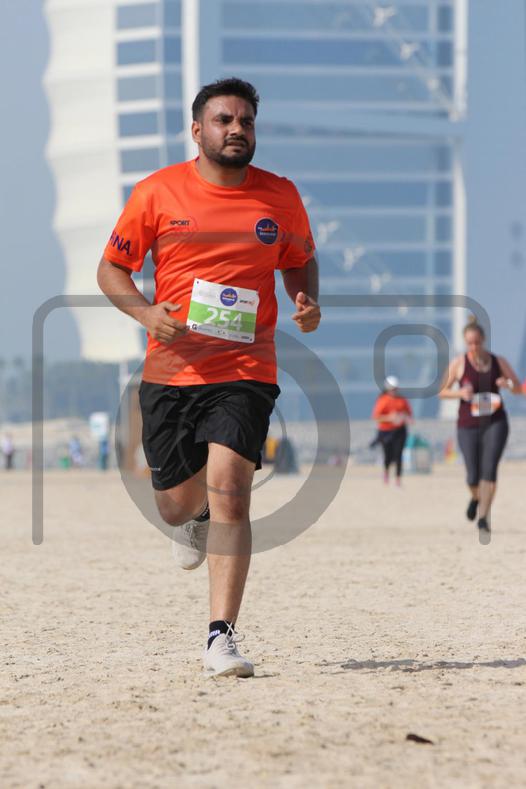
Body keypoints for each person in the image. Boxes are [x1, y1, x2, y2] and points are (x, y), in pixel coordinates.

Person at [97, 78, 320, 677]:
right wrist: (146, 313)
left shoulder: (280, 196)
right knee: (176, 506)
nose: (237, 129)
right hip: (171, 370)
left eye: (246, 120)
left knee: (231, 489)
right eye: (224, 120)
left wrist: (304, 300)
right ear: (198, 130)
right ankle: (191, 521)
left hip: (246, 369)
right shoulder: (157, 192)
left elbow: (299, 260)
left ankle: (221, 636)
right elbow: (112, 268)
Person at [439, 318, 522, 540]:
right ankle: (476, 497)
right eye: (470, 343)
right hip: (468, 424)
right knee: (472, 476)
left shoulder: (498, 361)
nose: (474, 347)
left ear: (483, 340)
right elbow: (442, 391)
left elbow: (518, 388)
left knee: (489, 470)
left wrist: (507, 384)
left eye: (477, 342)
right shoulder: (459, 364)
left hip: (495, 422)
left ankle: (484, 517)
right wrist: (460, 393)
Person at [371, 376, 412, 485]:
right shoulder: (382, 400)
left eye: (395, 389)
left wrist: (403, 418)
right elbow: (376, 417)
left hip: (400, 430)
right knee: (388, 454)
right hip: (385, 431)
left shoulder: (402, 400)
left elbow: (409, 415)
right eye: (392, 389)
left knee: (398, 454)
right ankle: (386, 473)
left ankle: (398, 479)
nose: (394, 391)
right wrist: (390, 418)